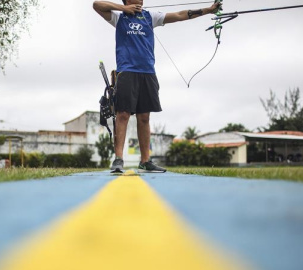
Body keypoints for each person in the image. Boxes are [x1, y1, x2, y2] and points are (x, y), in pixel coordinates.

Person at [93, 0, 221, 172]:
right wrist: (123, 8)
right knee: (122, 115)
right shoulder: (118, 17)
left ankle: (145, 161)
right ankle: (118, 159)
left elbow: (179, 15)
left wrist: (208, 10)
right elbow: (96, 4)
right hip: (127, 71)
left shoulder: (149, 16)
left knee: (144, 117)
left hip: (148, 72)